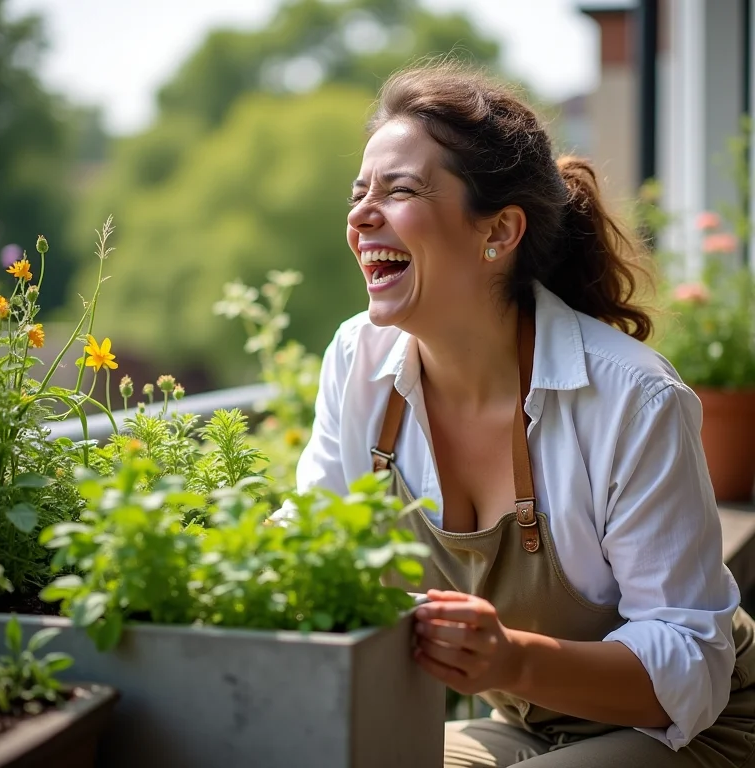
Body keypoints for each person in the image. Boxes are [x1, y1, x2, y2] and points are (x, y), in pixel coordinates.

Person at [293, 61, 755, 767]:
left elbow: (688, 662)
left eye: (401, 190)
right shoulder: (358, 361)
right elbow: (313, 540)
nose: (360, 214)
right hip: (524, 727)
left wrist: (509, 660)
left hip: (692, 726)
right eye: (359, 193)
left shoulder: (631, 398)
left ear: (500, 231)